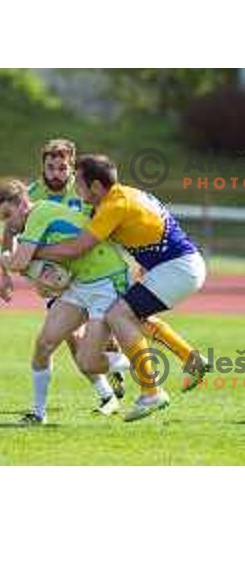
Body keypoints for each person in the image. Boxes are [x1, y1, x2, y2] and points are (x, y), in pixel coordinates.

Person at [35, 154, 209, 421]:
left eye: (79, 183)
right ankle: (190, 358)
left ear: (94, 186)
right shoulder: (121, 195)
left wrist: (33, 252)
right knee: (132, 317)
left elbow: (78, 247)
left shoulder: (114, 206)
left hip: (177, 268)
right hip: (177, 265)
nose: (75, 188)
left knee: (119, 315)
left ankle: (152, 392)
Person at [0, 180, 133, 424]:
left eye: (8, 215)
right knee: (44, 345)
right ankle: (38, 413)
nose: (8, 224)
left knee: (88, 361)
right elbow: (44, 277)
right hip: (80, 284)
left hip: (106, 281)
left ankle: (137, 361)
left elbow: (20, 262)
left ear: (22, 203)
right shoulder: (34, 219)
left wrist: (5, 261)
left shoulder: (38, 214)